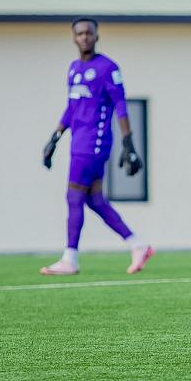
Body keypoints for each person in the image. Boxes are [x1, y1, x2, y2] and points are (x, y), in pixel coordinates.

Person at [41, 17, 154, 275]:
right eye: (80, 33)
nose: (84, 37)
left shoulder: (107, 68)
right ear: (74, 38)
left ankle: (70, 259)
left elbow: (121, 105)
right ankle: (138, 245)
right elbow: (72, 107)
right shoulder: (73, 69)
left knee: (73, 196)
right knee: (94, 200)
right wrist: (54, 138)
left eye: (89, 33)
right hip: (77, 142)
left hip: (94, 143)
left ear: (97, 36)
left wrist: (128, 143)